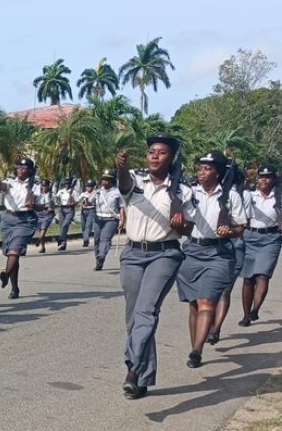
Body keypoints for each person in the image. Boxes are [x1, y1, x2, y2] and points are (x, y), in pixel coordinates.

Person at [116, 133, 196, 400]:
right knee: (134, 319)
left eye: (161, 152)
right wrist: (121, 167)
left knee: (146, 313)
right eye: (151, 151)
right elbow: (124, 183)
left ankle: (131, 369)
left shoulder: (182, 191)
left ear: (171, 158)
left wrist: (180, 224)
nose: (154, 155)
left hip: (164, 255)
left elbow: (189, 228)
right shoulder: (136, 182)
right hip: (133, 253)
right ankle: (142, 377)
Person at [175, 150, 246, 369]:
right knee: (194, 305)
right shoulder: (189, 192)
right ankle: (195, 343)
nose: (202, 172)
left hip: (218, 253)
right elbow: (180, 216)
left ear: (218, 172)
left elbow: (241, 226)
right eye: (200, 168)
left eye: (208, 168)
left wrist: (230, 231)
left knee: (207, 300)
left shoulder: (231, 196)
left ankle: (196, 351)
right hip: (192, 251)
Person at [238, 165, 281, 327]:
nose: (264, 179)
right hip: (249, 237)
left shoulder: (279, 197)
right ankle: (246, 315)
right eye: (261, 176)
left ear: (274, 179)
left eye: (268, 177)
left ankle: (256, 309)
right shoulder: (249, 195)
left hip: (271, 238)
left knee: (262, 275)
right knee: (248, 279)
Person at [0, 158, 37, 300]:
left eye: (25, 167)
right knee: (11, 255)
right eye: (19, 167)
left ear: (30, 170)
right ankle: (14, 288)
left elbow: (44, 205)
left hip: (25, 220)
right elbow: (2, 186)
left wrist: (33, 204)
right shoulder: (10, 183)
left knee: (14, 250)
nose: (22, 169)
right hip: (8, 219)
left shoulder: (35, 185)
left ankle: (6, 274)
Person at [208, 167, 247, 343]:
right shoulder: (206, 194)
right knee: (220, 291)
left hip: (232, 246)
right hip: (212, 247)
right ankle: (212, 327)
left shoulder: (236, 196)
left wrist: (229, 230)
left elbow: (242, 224)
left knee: (223, 289)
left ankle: (215, 329)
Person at [92, 170, 125, 271]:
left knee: (105, 239)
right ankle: (99, 261)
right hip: (98, 218)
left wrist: (122, 220)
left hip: (111, 219)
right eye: (103, 179)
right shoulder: (98, 191)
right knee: (97, 240)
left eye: (107, 180)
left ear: (111, 181)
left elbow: (122, 207)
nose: (104, 182)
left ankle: (102, 255)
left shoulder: (117, 192)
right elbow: (89, 202)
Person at [55, 177, 77, 251]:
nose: (67, 185)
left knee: (65, 225)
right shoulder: (61, 191)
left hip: (70, 209)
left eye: (68, 184)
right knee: (62, 227)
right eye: (66, 184)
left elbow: (76, 202)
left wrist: (72, 201)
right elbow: (56, 198)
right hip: (62, 209)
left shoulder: (74, 192)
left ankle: (60, 239)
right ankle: (63, 244)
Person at [33, 180, 55, 254]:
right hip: (38, 213)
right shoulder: (37, 194)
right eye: (43, 186)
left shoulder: (52, 195)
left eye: (45, 186)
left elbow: (52, 206)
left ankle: (39, 239)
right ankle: (42, 246)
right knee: (40, 230)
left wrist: (50, 207)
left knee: (44, 228)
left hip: (47, 213)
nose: (44, 187)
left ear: (48, 186)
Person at [79, 180, 98, 247]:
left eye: (90, 186)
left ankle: (86, 239)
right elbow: (79, 200)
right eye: (87, 186)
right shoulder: (84, 194)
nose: (88, 188)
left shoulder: (96, 193)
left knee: (88, 226)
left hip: (91, 210)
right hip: (84, 211)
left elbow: (96, 203)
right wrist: (82, 203)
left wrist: (89, 203)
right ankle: (85, 240)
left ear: (93, 187)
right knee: (83, 226)